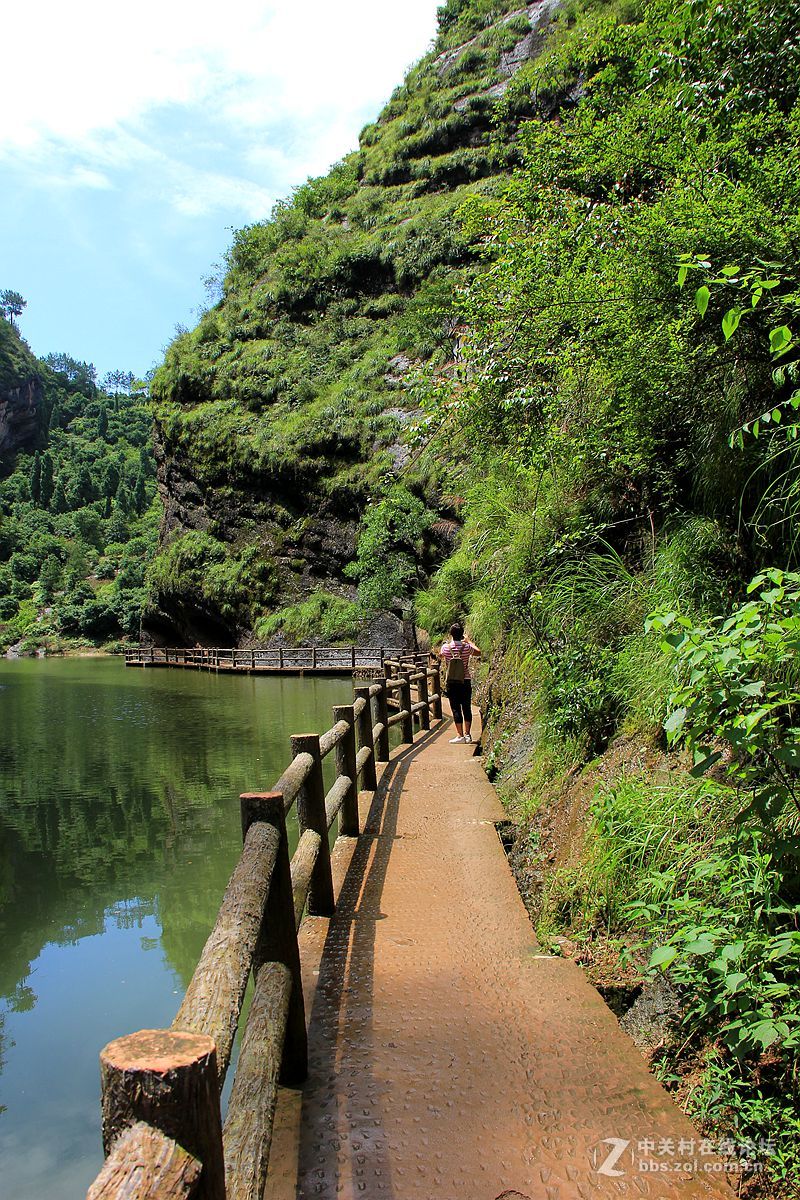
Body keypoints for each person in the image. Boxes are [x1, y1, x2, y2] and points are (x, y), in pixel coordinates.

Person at [440, 622, 481, 744]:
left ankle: (460, 735)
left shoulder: (446, 648)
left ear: (451, 634)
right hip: (465, 680)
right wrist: (469, 642)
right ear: (462, 634)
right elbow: (478, 652)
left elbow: (440, 656)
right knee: (466, 707)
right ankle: (468, 735)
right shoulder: (467, 648)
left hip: (452, 681)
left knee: (455, 707)